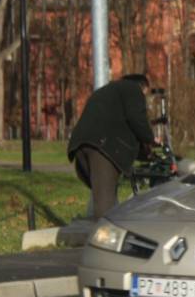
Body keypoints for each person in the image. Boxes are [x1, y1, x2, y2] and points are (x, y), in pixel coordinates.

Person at [67, 73, 157, 219]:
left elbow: (123, 127)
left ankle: (108, 228)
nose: (145, 99)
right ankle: (103, 238)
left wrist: (141, 150)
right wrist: (150, 139)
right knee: (105, 205)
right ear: (143, 87)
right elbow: (137, 119)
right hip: (103, 147)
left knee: (104, 192)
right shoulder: (133, 90)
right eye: (146, 94)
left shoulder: (108, 91)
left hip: (82, 145)